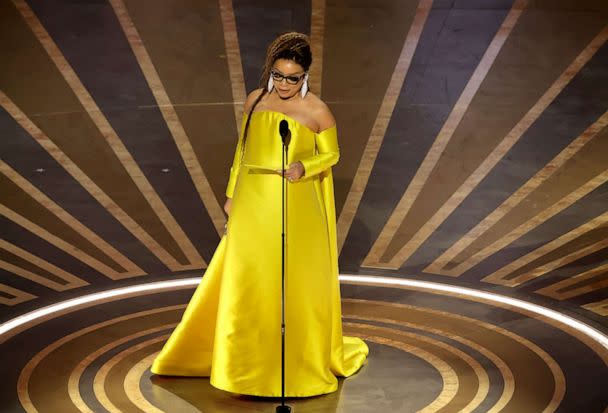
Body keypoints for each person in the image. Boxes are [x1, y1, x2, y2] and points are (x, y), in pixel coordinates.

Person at [151, 31, 369, 397]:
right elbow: (243, 148)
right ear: (271, 71)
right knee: (247, 276)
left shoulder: (317, 110)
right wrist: (232, 192)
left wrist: (305, 165)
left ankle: (299, 356)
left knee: (296, 277)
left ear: (306, 77)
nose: (284, 84)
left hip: (296, 201)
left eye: (293, 78)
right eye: (279, 75)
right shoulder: (255, 101)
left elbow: (333, 155)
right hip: (253, 199)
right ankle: (241, 359)